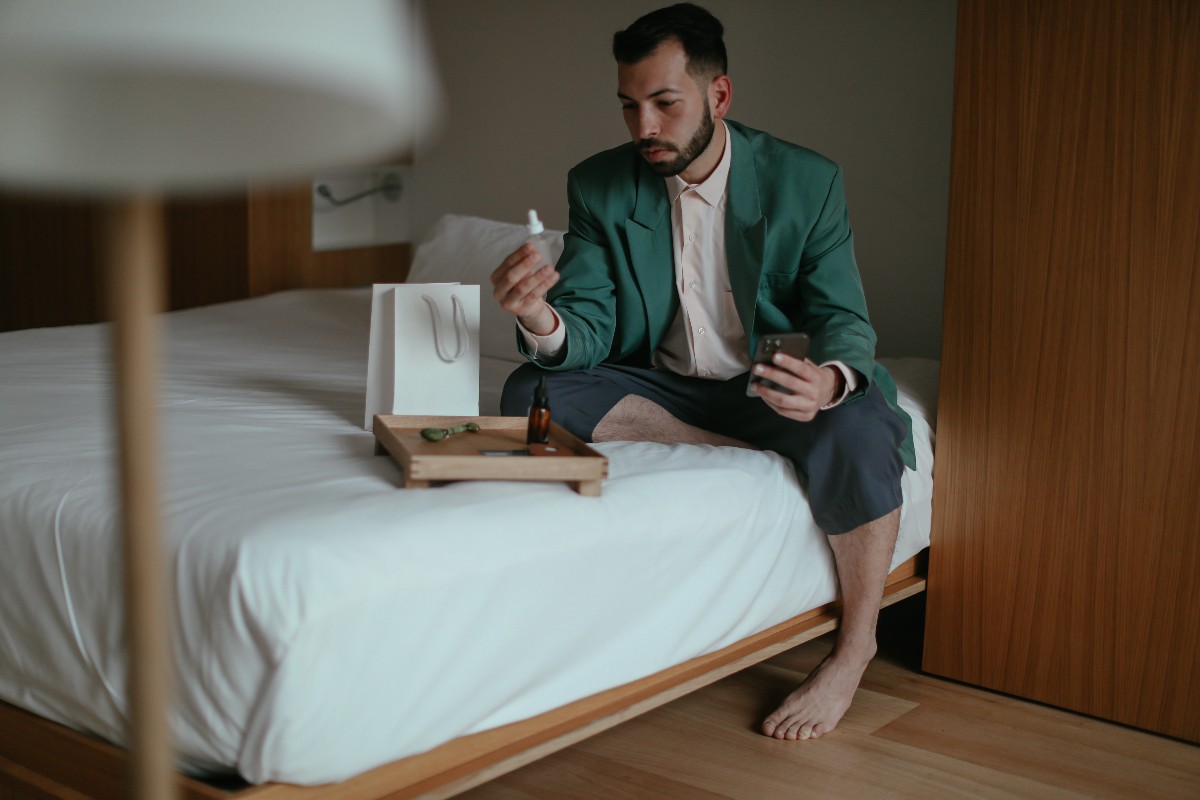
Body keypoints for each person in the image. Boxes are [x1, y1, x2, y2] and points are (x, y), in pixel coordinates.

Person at [491, 2, 915, 742]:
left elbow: (845, 316)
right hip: (667, 386)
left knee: (857, 423)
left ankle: (854, 650)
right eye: (629, 106)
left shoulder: (804, 181)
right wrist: (539, 319)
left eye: (664, 103)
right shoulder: (598, 186)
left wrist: (827, 380)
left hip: (767, 384)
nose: (643, 128)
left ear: (718, 96)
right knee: (532, 387)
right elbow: (587, 328)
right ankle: (751, 450)